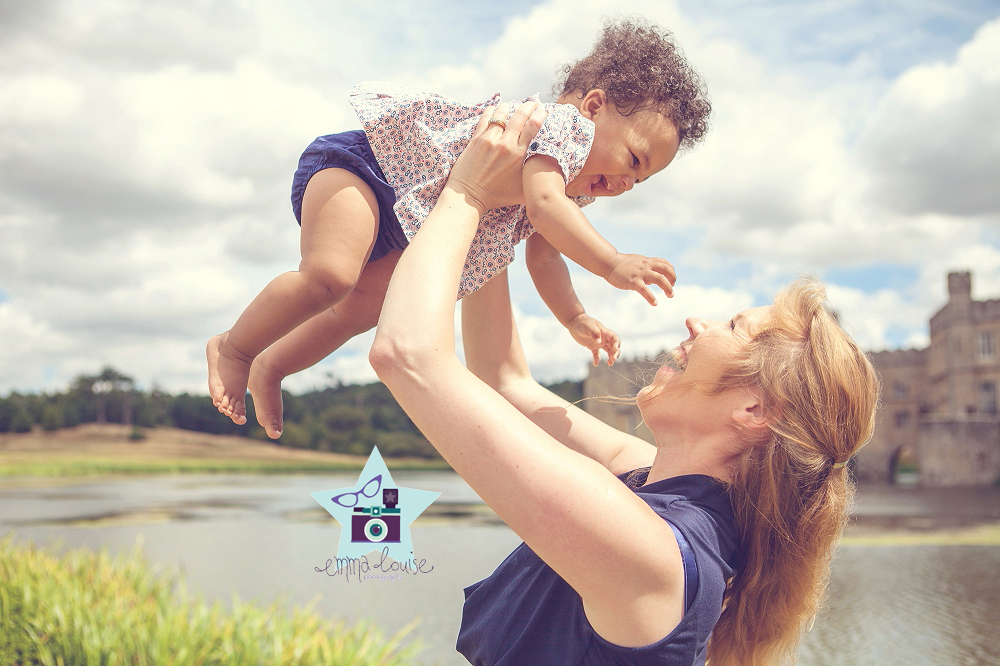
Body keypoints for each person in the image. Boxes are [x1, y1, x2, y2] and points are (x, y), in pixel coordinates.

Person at [369, 103, 880, 665]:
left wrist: (464, 191)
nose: (699, 322)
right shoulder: (654, 481)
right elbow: (505, 382)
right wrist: (499, 213)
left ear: (756, 409)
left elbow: (409, 355)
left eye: (735, 327)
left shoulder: (655, 551)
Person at [207, 19, 711, 438]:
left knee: (358, 311)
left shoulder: (570, 191)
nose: (626, 181)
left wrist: (574, 316)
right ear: (595, 107)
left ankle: (271, 365)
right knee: (330, 276)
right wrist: (613, 262)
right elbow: (542, 207)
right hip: (367, 172)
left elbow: (545, 254)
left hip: (404, 228)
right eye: (633, 158)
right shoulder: (562, 128)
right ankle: (234, 347)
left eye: (640, 179)